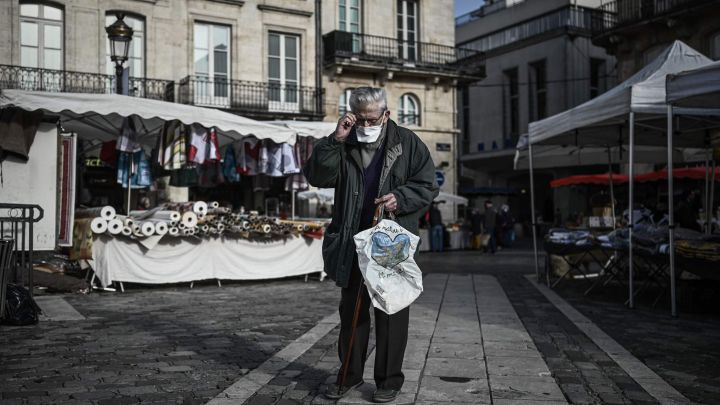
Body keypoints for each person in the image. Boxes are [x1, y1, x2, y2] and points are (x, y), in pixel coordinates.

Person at [304, 87, 438, 403]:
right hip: (352, 242)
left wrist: (401, 197)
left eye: (371, 119)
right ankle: (348, 376)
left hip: (390, 241)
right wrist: (335, 139)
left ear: (386, 115)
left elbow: (427, 185)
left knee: (391, 312)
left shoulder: (408, 143)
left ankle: (389, 381)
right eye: (359, 120)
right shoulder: (344, 141)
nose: (365, 126)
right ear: (351, 115)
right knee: (352, 313)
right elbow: (317, 176)